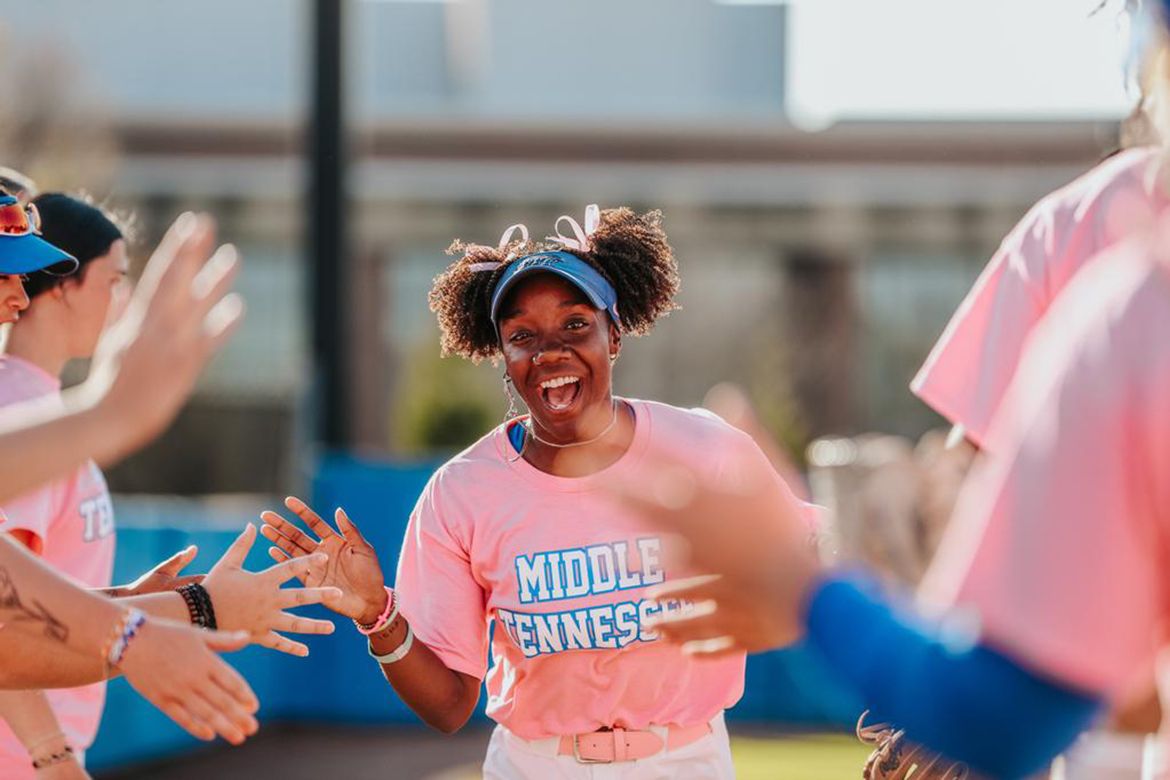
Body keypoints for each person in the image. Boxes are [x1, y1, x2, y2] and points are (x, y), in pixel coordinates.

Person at [261, 206, 814, 778]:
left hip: (687, 760)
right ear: (506, 360)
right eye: (523, 336)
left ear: (614, 335)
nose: (550, 351)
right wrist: (378, 613)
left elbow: (811, 579)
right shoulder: (462, 491)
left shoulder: (704, 448)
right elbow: (449, 706)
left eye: (576, 325)